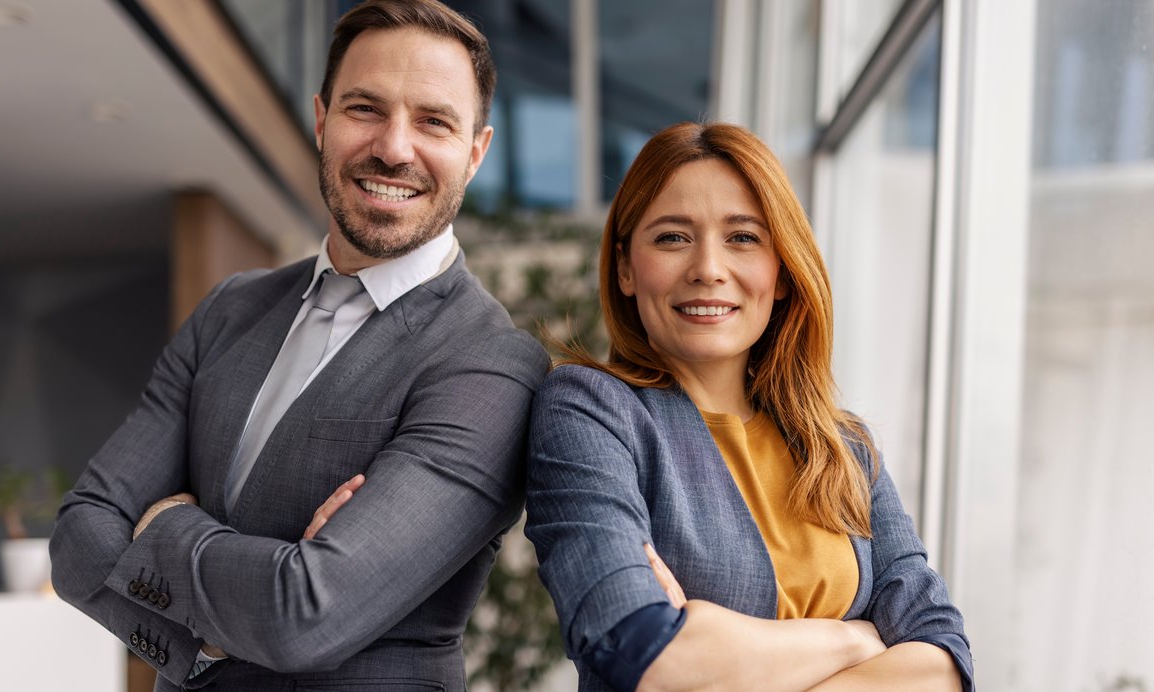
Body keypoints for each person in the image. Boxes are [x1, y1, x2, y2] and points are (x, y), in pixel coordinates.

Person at [50, 1, 549, 689]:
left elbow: (305, 615)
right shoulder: (230, 309)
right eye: (365, 109)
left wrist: (165, 530)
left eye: (433, 120)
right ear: (321, 120)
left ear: (476, 151)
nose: (394, 148)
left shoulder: (492, 364)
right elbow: (80, 537)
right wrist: (204, 648)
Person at [525, 122, 973, 691]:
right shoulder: (592, 412)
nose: (708, 268)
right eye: (672, 237)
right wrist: (856, 639)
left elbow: (944, 663)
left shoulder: (845, 447)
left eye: (742, 238)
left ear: (782, 271)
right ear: (625, 268)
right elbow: (642, 656)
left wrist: (712, 637)